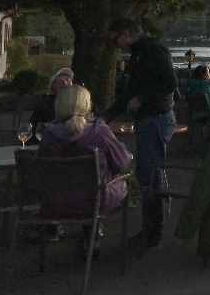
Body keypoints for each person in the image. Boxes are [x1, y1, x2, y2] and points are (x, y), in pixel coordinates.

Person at [104, 18, 177, 250]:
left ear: (127, 33)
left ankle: (152, 234)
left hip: (156, 119)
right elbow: (129, 93)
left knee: (149, 176)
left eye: (116, 39)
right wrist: (105, 118)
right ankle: (150, 231)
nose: (116, 44)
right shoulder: (137, 55)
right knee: (147, 176)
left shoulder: (154, 50)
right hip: (148, 119)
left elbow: (169, 83)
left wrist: (143, 98)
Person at [41, 85, 132, 254]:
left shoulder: (49, 134)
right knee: (103, 182)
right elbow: (122, 162)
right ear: (87, 105)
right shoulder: (99, 131)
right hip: (95, 200)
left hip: (55, 201)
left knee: (80, 185)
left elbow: (42, 169)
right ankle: (92, 235)